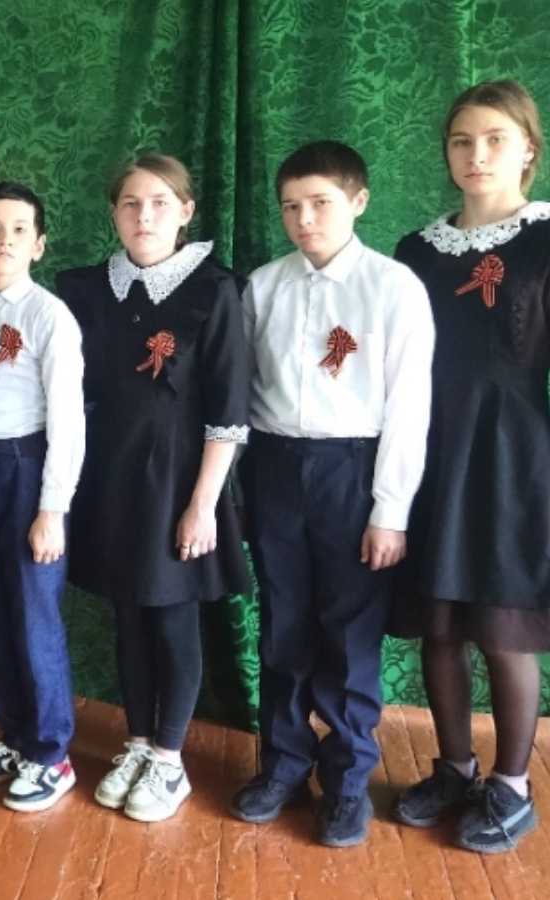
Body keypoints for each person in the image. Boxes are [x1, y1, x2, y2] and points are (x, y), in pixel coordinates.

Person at [231, 141, 434, 847]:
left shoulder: (393, 287)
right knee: (283, 623)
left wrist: (390, 511)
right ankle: (284, 765)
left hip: (353, 468)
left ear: (359, 201)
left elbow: (409, 407)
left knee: (350, 632)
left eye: (320, 202)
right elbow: (243, 394)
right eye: (291, 206)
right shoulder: (264, 287)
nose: (305, 219)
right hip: (276, 465)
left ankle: (347, 782)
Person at [56, 155, 252, 823]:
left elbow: (229, 410)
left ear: (185, 211)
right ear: (114, 213)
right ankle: (137, 742)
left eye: (160, 203)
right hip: (110, 479)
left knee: (171, 615)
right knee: (128, 613)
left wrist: (203, 505)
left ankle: (170, 759)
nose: (145, 216)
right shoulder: (86, 289)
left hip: (178, 482)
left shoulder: (216, 290)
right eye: (131, 204)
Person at [390, 79, 547, 853]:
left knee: (503, 627)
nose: (476, 154)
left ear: (528, 150)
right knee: (442, 625)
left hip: (514, 458)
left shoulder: (546, 239)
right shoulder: (416, 251)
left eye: (493, 139)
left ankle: (512, 785)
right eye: (461, 141)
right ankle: (454, 767)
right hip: (429, 450)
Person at [0, 182, 86, 812]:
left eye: (20, 229)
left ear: (39, 245)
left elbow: (68, 421)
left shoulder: (49, 316)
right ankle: (16, 736)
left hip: (27, 471)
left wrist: (51, 509)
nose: (5, 240)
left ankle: (52, 754)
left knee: (34, 616)